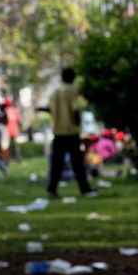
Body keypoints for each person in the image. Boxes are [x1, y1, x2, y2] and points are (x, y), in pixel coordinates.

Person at [45, 67, 96, 198]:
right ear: (72, 77)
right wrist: (79, 123)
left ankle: (52, 189)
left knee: (56, 163)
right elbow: (75, 109)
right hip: (71, 132)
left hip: (58, 132)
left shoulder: (55, 92)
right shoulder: (71, 90)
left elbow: (50, 109)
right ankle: (85, 189)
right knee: (78, 163)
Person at [4, 98, 22, 162]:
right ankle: (18, 159)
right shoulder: (15, 110)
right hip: (14, 130)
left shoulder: (5, 110)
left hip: (7, 130)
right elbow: (18, 120)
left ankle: (6, 160)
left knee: (6, 146)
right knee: (16, 146)